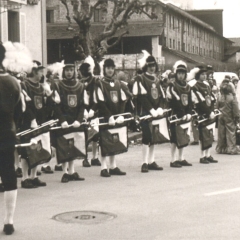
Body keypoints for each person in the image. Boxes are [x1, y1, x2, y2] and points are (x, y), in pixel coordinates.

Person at [0, 43, 22, 235]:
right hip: (7, 134)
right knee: (9, 176)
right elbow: (20, 110)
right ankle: (8, 221)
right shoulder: (14, 82)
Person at [52, 62, 85, 182]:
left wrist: (79, 120)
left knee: (73, 146)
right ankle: (65, 172)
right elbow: (56, 105)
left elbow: (82, 105)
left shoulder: (80, 86)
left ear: (75, 71)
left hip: (75, 120)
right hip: (64, 121)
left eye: (71, 70)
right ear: (63, 71)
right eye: (67, 70)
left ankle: (72, 171)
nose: (69, 72)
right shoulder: (58, 85)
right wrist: (62, 120)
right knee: (64, 146)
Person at [94, 59, 127, 177]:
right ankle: (103, 167)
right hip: (105, 117)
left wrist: (120, 115)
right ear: (104, 69)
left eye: (112, 68)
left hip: (116, 116)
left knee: (114, 139)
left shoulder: (118, 83)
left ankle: (113, 166)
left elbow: (123, 100)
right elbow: (100, 102)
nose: (110, 70)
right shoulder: (100, 83)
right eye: (108, 68)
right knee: (104, 141)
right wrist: (109, 117)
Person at [20, 61, 50, 188]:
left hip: (39, 122)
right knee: (27, 151)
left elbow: (43, 105)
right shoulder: (24, 85)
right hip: (28, 122)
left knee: (38, 149)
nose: (42, 74)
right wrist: (32, 119)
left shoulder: (41, 86)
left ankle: (33, 176)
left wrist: (49, 96)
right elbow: (25, 105)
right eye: (40, 71)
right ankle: (24, 178)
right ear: (34, 72)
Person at [133, 55, 165, 173]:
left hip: (156, 113)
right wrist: (151, 109)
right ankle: (144, 162)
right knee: (146, 136)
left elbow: (161, 96)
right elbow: (142, 97)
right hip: (145, 113)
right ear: (146, 66)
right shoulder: (140, 78)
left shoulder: (157, 79)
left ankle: (151, 161)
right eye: (150, 66)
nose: (152, 68)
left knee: (153, 137)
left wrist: (160, 108)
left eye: (153, 65)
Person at [166, 61, 193, 168]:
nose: (181, 75)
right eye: (179, 73)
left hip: (185, 115)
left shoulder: (188, 87)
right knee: (174, 139)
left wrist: (189, 113)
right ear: (176, 74)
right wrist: (182, 113)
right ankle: (173, 160)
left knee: (183, 136)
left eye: (183, 73)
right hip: (175, 115)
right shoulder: (172, 86)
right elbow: (174, 101)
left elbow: (190, 101)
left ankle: (181, 158)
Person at [191, 65, 218, 163]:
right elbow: (199, 102)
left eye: (205, 74)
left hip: (210, 113)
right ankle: (202, 156)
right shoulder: (195, 87)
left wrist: (212, 110)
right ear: (197, 76)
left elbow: (212, 99)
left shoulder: (207, 85)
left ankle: (208, 155)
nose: (204, 76)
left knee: (210, 135)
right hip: (202, 113)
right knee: (203, 136)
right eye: (202, 74)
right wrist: (208, 112)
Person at [79, 62, 101, 167]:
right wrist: (83, 110)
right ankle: (85, 158)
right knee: (86, 136)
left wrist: (93, 109)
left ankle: (95, 157)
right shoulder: (79, 83)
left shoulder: (95, 81)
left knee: (95, 135)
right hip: (84, 112)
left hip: (93, 110)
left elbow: (97, 96)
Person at [216, 82, 240, 154]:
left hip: (221, 117)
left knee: (221, 133)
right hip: (229, 117)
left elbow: (216, 107)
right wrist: (237, 118)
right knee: (230, 133)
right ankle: (231, 149)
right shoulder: (232, 98)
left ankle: (221, 148)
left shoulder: (219, 97)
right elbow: (235, 110)